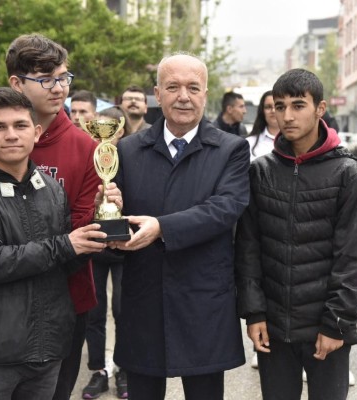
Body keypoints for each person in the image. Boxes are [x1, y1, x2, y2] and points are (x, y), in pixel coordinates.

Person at [0, 33, 102, 400]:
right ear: (16, 83)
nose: (59, 88)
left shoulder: (87, 146)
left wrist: (103, 213)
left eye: (64, 77)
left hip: (63, 303)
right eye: (46, 79)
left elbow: (80, 234)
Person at [108, 53, 249, 400]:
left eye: (193, 88)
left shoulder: (230, 149)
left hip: (203, 299)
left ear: (205, 94)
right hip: (145, 298)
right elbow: (116, 218)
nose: (183, 96)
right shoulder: (128, 149)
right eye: (172, 87)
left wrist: (161, 227)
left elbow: (225, 208)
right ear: (157, 93)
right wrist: (110, 209)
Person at [235, 68, 357, 400]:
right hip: (273, 330)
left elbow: (353, 259)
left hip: (325, 329)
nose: (287, 116)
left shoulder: (349, 175)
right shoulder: (260, 172)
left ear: (320, 108)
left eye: (298, 105)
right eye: (279, 106)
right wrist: (254, 312)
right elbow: (248, 248)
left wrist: (336, 323)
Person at [81, 105, 133, 399]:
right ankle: (98, 369)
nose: (103, 136)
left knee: (123, 310)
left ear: (120, 130)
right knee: (95, 311)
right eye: (98, 128)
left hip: (125, 246)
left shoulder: (133, 157)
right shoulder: (89, 158)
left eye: (109, 129)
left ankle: (123, 368)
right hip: (95, 245)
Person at [245, 90, 278, 162]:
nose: (273, 110)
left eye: (277, 106)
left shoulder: (297, 142)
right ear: (262, 111)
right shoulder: (249, 143)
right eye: (268, 107)